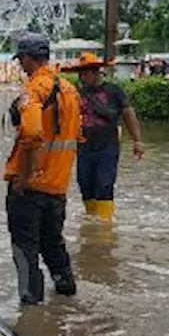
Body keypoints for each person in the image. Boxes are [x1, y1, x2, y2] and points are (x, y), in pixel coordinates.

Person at [4, 33, 81, 305]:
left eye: (21, 60)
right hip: (57, 186)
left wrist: (24, 177)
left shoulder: (35, 89)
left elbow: (32, 132)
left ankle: (31, 305)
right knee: (53, 243)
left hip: (30, 189)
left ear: (26, 58)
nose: (21, 66)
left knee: (25, 249)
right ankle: (65, 289)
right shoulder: (70, 90)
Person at [66, 52, 145, 220]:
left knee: (104, 185)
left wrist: (137, 141)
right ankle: (90, 221)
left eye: (85, 73)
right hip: (84, 147)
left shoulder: (114, 92)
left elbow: (129, 115)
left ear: (96, 72)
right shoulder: (75, 93)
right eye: (80, 73)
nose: (82, 77)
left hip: (107, 147)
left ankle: (105, 225)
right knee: (85, 184)